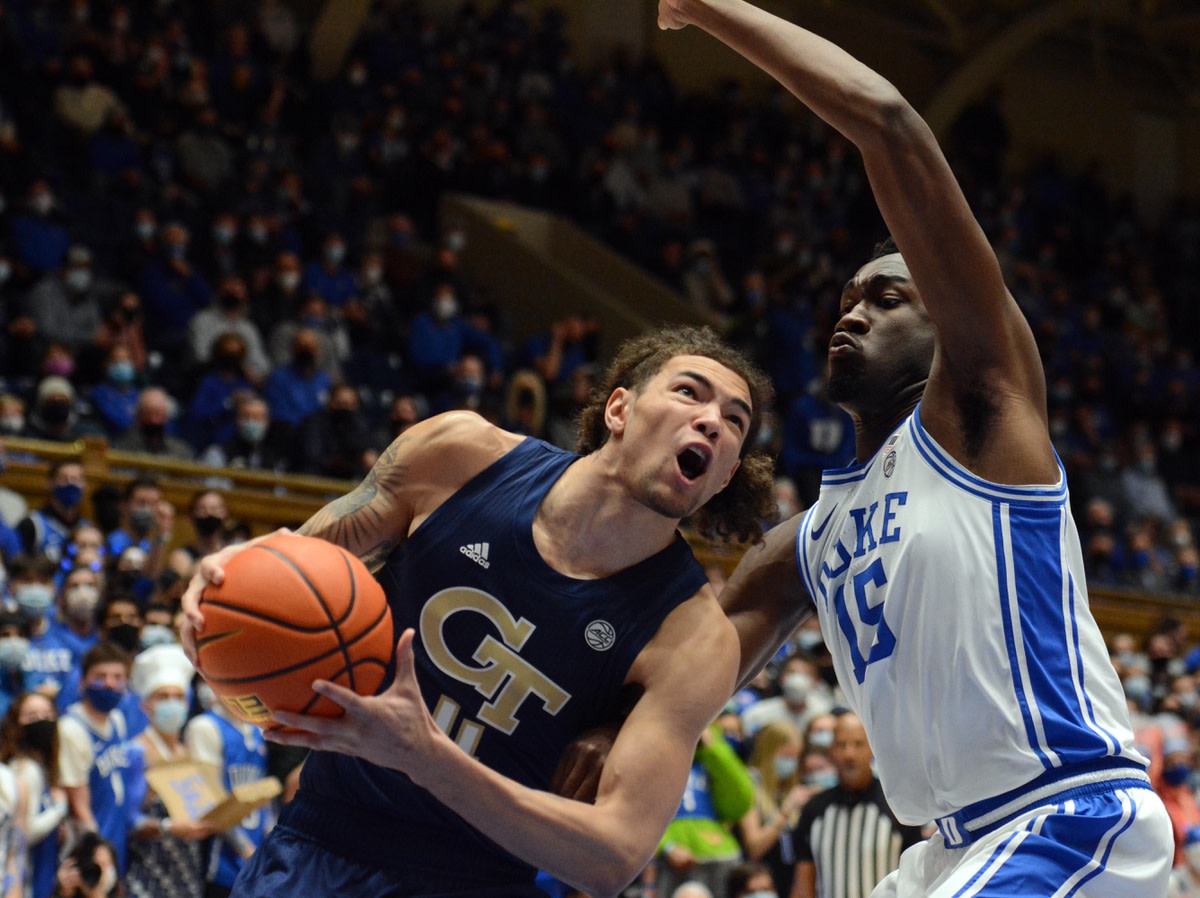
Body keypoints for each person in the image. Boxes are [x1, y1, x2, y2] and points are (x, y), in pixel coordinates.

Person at [659, 1, 1174, 894]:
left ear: (950, 329)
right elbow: (687, 675)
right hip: (945, 848)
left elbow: (890, 124)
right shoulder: (810, 541)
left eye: (888, 298)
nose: (854, 312)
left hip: (1067, 815)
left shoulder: (983, 418)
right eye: (848, 300)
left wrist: (710, 9)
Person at [181, 324, 776, 897]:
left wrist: (427, 757)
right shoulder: (460, 455)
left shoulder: (695, 638)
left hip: (480, 878)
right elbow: (290, 571)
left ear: (725, 475)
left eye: (735, 421)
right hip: (321, 840)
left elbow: (613, 857)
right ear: (619, 409)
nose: (712, 420)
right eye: (689, 392)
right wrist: (219, 592)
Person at [791, 713, 921, 898]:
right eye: (841, 745)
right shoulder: (814, 811)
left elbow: (916, 878)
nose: (849, 754)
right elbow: (804, 882)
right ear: (831, 751)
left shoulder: (896, 806)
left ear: (872, 749)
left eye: (858, 744)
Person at [125, 644, 213, 898]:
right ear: (146, 705)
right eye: (162, 697)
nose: (172, 703)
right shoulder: (136, 752)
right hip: (149, 870)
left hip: (187, 868)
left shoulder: (186, 751)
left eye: (178, 697)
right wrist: (168, 827)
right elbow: (129, 820)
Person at [0, 691, 69, 898]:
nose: (42, 721)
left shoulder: (41, 765)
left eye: (47, 715)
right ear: (15, 723)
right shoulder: (24, 770)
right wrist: (58, 810)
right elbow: (24, 833)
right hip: (24, 878)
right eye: (32, 716)